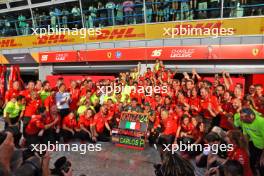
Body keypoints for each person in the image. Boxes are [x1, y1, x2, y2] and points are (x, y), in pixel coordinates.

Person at [233, 107, 264, 175]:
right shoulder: (244, 121)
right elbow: (246, 136)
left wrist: (262, 156)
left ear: (251, 116)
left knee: (261, 165)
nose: (241, 119)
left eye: (244, 117)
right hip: (255, 145)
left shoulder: (261, 122)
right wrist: (247, 149)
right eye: (241, 117)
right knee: (251, 162)